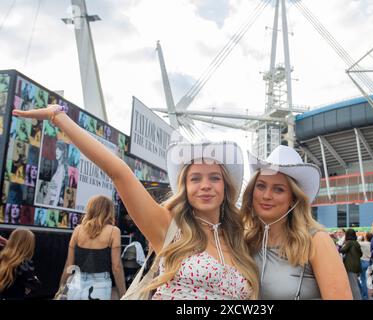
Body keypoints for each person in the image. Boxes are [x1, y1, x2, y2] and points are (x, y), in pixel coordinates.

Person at [14, 105, 259, 300]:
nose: (205, 185)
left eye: (214, 178)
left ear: (226, 188)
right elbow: (119, 172)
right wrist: (58, 117)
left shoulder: (240, 240)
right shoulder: (167, 227)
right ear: (185, 188)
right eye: (195, 178)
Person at [242, 145, 352, 299]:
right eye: (261, 186)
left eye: (278, 189)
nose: (266, 195)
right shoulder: (245, 241)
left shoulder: (315, 240)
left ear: (293, 198)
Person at [58, 195, 126, 300]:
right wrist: (123, 295)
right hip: (100, 285)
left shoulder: (78, 230)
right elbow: (116, 267)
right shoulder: (114, 231)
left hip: (76, 282)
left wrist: (61, 289)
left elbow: (69, 264)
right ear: (109, 211)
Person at [0, 228, 40, 299]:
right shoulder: (24, 264)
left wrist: (11, 245)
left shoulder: (3, 258)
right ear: (29, 246)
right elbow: (34, 285)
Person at [339, 229, 362, 300]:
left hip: (350, 266)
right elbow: (361, 254)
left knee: (353, 286)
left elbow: (342, 250)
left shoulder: (349, 243)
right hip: (357, 266)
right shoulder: (356, 243)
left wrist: (341, 245)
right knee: (356, 284)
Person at [45, 141, 69, 207]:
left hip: (54, 202)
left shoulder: (62, 169)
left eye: (59, 149)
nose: (57, 151)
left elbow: (58, 192)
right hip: (50, 200)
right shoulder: (57, 167)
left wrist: (53, 206)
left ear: (63, 152)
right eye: (56, 149)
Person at [359, 232, 373, 300]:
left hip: (362, 261)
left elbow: (356, 242)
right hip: (369, 262)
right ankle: (365, 295)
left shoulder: (363, 243)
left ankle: (364, 296)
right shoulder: (372, 244)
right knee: (366, 280)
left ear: (366, 237)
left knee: (363, 280)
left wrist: (360, 238)